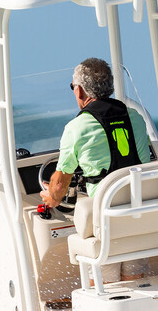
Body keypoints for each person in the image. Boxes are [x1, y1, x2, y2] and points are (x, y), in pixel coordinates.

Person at [40, 57, 151, 211]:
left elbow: (59, 186)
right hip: (143, 203)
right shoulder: (136, 118)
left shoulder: (76, 128)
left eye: (73, 86)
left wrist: (52, 197)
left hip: (107, 211)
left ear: (79, 90)